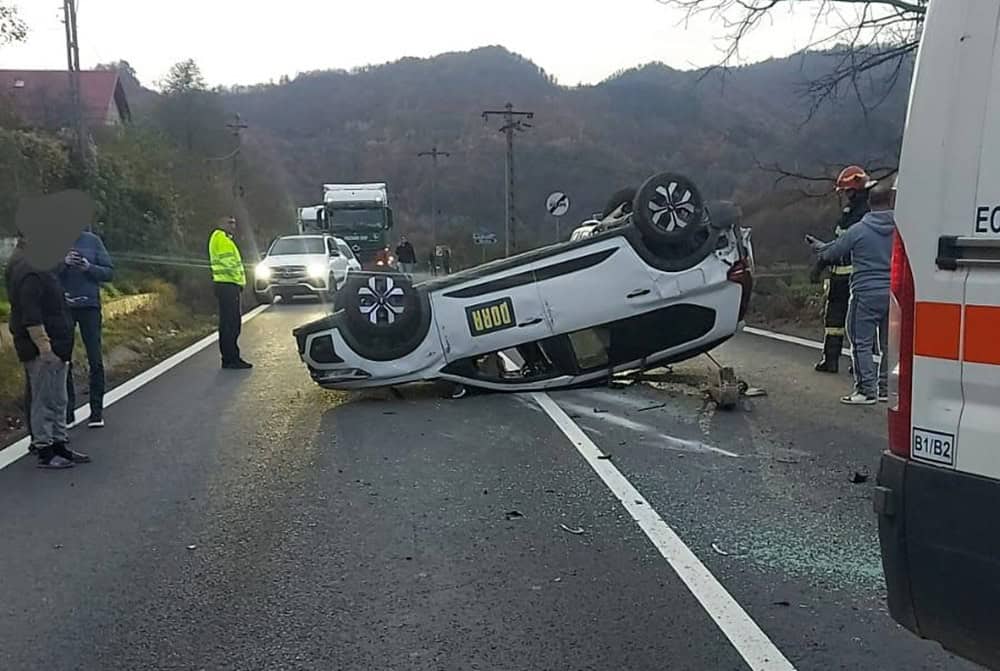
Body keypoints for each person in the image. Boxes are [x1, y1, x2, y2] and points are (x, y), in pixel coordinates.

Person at [6, 233, 90, 468]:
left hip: (57, 344)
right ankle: (45, 449)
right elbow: (30, 314)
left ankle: (59, 443)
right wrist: (44, 347)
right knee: (44, 399)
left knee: (58, 398)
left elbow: (47, 301)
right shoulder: (29, 269)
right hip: (43, 347)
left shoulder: (39, 264)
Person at [810, 181, 896, 405]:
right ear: (891, 202)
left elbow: (833, 252)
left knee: (860, 341)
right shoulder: (902, 229)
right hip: (894, 294)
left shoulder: (859, 229)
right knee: (890, 344)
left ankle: (866, 390)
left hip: (865, 293)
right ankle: (886, 389)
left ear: (869, 203)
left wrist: (819, 247)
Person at [811, 165, 874, 374]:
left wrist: (820, 262)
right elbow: (839, 243)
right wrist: (823, 258)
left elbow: (845, 245)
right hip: (841, 276)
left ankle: (857, 364)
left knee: (857, 323)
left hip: (855, 277)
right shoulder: (852, 213)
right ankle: (831, 359)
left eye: (848, 191)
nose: (846, 196)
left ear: (856, 190)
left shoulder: (864, 215)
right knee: (835, 322)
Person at [60, 226, 114, 428]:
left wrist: (88, 267)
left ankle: (96, 411)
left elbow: (109, 272)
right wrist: (63, 264)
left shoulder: (93, 241)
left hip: (89, 306)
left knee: (95, 358)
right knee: (64, 360)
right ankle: (68, 413)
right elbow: (45, 273)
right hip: (64, 307)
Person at [208, 216, 251, 369]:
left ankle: (230, 357)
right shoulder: (222, 240)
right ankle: (231, 358)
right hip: (228, 285)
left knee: (228, 323)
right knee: (231, 324)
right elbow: (230, 264)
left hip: (225, 285)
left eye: (234, 223)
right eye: (229, 223)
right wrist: (239, 282)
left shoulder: (220, 238)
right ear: (220, 223)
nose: (233, 226)